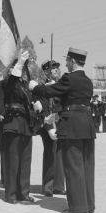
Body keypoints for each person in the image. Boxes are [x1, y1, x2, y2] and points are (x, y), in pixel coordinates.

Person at [30, 47, 95, 213]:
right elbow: (69, 95)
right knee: (87, 166)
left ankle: (78, 207)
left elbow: (50, 92)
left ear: (73, 61)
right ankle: (88, 204)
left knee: (73, 166)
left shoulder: (69, 78)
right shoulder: (87, 80)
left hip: (72, 124)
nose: (65, 64)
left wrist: (35, 87)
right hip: (86, 124)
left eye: (67, 61)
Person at [0, 52, 37, 204]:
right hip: (12, 122)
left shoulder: (27, 86)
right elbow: (11, 84)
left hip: (26, 123)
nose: (22, 70)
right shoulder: (6, 82)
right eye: (19, 66)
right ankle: (11, 194)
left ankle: (24, 193)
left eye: (24, 67)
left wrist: (37, 105)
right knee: (12, 160)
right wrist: (18, 65)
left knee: (26, 161)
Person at [34, 59, 65, 197]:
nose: (56, 70)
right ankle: (48, 186)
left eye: (57, 67)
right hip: (49, 123)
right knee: (50, 154)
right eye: (53, 68)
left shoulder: (62, 86)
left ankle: (59, 186)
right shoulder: (42, 87)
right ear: (46, 71)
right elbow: (44, 108)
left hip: (61, 123)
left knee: (60, 155)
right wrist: (49, 127)